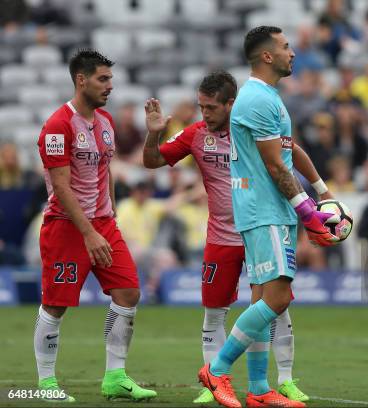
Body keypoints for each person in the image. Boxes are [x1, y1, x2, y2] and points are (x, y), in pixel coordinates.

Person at [142, 70, 311, 404]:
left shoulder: (253, 128)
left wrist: (316, 197)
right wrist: (153, 136)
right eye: (201, 106)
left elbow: (291, 157)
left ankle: (286, 380)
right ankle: (215, 381)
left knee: (275, 305)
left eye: (211, 107)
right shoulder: (196, 135)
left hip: (261, 226)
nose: (204, 113)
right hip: (222, 236)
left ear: (231, 104)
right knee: (214, 310)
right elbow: (152, 160)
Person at [198, 26, 338, 408]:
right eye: (286, 46)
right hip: (265, 210)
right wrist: (308, 212)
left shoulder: (266, 98)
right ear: (267, 56)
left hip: (266, 209)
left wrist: (321, 191)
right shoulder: (258, 100)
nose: (292, 52)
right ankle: (218, 369)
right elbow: (276, 166)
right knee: (278, 297)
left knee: (262, 297)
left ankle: (259, 389)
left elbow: (289, 152)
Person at [34, 49, 156, 402]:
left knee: (129, 292)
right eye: (103, 79)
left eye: (111, 79)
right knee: (56, 304)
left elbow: (106, 172)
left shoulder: (105, 122)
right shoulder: (58, 125)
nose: (110, 86)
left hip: (103, 223)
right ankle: (45, 384)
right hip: (67, 226)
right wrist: (88, 232)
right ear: (81, 80)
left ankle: (115, 377)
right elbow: (60, 186)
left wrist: (111, 214)